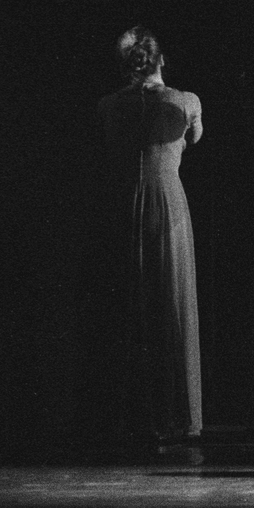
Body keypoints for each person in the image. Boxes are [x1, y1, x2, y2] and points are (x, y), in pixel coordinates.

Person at [96, 26, 204, 442]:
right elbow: (192, 138)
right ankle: (174, 413)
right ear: (160, 61)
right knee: (171, 300)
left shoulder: (107, 105)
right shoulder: (186, 101)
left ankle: (132, 413)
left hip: (124, 204)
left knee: (132, 299)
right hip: (167, 202)